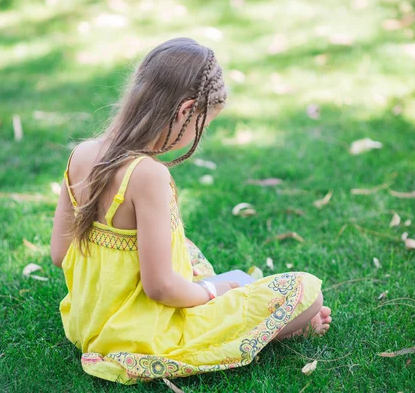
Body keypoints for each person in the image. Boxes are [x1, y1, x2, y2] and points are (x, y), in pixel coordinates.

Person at [50, 37, 332, 385]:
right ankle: (271, 330)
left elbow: (60, 253)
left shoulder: (82, 154)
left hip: (88, 323)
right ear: (186, 111)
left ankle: (245, 307)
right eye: (204, 123)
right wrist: (215, 293)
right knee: (305, 292)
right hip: (142, 337)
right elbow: (159, 288)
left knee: (187, 251)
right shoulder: (149, 175)